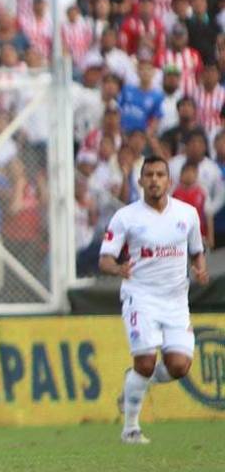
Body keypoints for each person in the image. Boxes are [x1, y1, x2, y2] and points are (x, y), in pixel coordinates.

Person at [99, 156, 209, 445]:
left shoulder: (187, 214)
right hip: (141, 297)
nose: (155, 180)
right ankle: (130, 429)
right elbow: (105, 259)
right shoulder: (126, 217)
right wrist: (118, 268)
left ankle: (134, 382)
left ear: (169, 181)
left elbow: (197, 249)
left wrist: (200, 266)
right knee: (146, 362)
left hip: (175, 300)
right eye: (149, 175)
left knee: (179, 366)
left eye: (160, 174)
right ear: (141, 181)